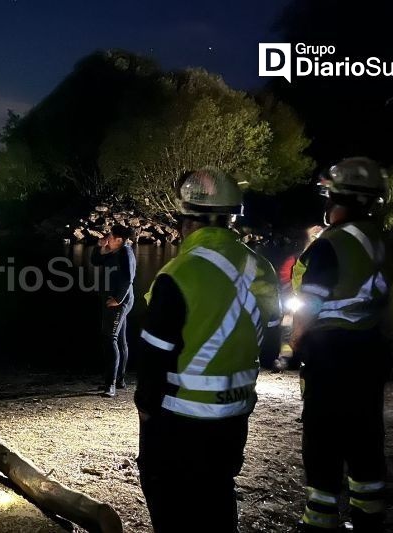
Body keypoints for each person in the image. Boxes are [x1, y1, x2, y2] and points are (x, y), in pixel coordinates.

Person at [134, 169, 281, 532]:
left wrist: (146, 410)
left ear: (185, 220)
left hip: (178, 421)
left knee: (172, 507)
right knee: (218, 497)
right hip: (235, 415)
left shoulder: (178, 274)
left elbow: (152, 362)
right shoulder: (261, 267)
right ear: (232, 217)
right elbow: (273, 345)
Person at [290, 158, 391, 532]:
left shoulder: (333, 243)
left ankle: (320, 519)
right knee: (366, 436)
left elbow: (309, 304)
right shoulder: (382, 241)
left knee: (323, 440)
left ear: (337, 197)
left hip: (332, 355)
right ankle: (369, 515)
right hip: (371, 350)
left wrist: (295, 341)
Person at [91, 224, 137, 398]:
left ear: (119, 239)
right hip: (111, 299)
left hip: (119, 302)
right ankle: (119, 379)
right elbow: (96, 261)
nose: (107, 238)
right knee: (120, 338)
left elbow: (128, 279)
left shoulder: (126, 253)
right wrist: (99, 247)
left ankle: (110, 384)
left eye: (110, 236)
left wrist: (118, 299)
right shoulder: (113, 251)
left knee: (110, 337)